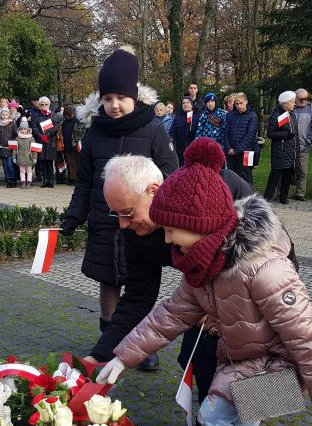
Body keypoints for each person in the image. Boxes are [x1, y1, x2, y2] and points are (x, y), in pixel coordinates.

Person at [97, 140, 312, 426]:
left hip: (283, 373)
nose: (166, 241)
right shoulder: (200, 269)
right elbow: (168, 316)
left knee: (214, 418)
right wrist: (122, 356)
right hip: (250, 364)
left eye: (171, 231)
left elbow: (310, 340)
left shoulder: (266, 271)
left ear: (197, 225)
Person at [60, 46, 178, 370]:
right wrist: (74, 216)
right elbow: (84, 182)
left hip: (142, 223)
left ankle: (138, 344)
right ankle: (109, 342)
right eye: (107, 98)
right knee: (110, 282)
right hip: (104, 221)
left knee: (140, 285)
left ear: (135, 95)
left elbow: (171, 175)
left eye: (120, 97)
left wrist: (154, 216)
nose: (113, 105)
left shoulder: (153, 129)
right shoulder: (95, 132)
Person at [264, 91, 299, 205]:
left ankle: (283, 198)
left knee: (288, 176)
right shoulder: (277, 115)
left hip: (290, 151)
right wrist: (285, 135)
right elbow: (271, 133)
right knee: (275, 175)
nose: (294, 104)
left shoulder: (291, 114)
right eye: (292, 102)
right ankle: (266, 198)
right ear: (285, 103)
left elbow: (295, 133)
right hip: (280, 151)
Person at [223, 92, 259, 184]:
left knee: (246, 176)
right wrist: (228, 148)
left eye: (241, 103)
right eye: (237, 104)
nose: (239, 106)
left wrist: (237, 149)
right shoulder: (230, 115)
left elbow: (250, 135)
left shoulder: (252, 116)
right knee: (232, 177)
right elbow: (226, 133)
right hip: (231, 152)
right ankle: (234, 197)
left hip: (247, 151)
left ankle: (249, 197)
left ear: (246, 102)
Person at [292, 88, 312, 201]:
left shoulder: (311, 108)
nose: (304, 101)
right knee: (286, 171)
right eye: (301, 99)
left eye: (306, 99)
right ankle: (282, 192)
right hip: (289, 146)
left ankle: (300, 193)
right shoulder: (289, 107)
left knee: (303, 171)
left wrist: (309, 141)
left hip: (304, 146)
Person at [31, 96, 59, 188]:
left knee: (49, 162)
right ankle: (45, 180)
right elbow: (34, 128)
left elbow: (56, 126)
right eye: (42, 104)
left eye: (45, 104)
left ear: (48, 105)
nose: (43, 105)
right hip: (41, 141)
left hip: (50, 141)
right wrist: (41, 136)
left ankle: (51, 181)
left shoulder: (51, 115)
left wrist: (48, 134)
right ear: (39, 105)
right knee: (42, 161)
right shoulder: (36, 115)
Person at [169, 96, 198, 165]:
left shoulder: (197, 116)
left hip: (193, 152)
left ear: (191, 104)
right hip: (180, 152)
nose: (186, 104)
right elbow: (172, 133)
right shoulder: (178, 117)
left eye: (188, 102)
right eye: (183, 103)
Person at [0, 107, 18, 187]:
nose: (4, 116)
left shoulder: (12, 123)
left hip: (10, 148)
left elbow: (16, 135)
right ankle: (8, 180)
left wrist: (12, 144)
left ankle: (13, 179)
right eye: (3, 115)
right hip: (2, 148)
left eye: (6, 114)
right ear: (1, 115)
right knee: (4, 165)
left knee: (10, 165)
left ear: (9, 115)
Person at [14, 118, 38, 188]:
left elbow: (34, 149)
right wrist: (14, 157)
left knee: (29, 171)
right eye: (22, 129)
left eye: (25, 129)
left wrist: (35, 158)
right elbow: (15, 149)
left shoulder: (31, 138)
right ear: (20, 130)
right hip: (20, 157)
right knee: (21, 170)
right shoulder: (17, 138)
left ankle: (29, 182)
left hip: (29, 157)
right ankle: (23, 182)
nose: (23, 130)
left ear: (28, 129)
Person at [60, 106, 79, 184]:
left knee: (75, 163)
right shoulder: (65, 123)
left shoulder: (76, 122)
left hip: (74, 146)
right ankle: (72, 178)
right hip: (67, 145)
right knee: (70, 163)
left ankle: (75, 179)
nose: (69, 116)